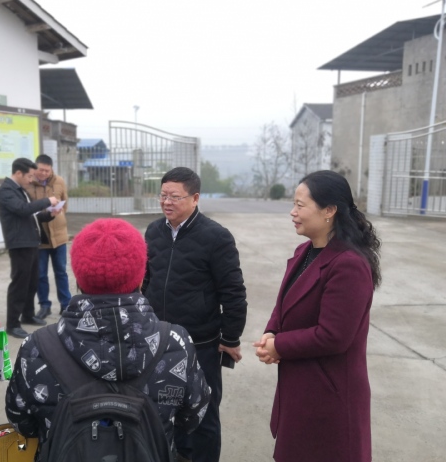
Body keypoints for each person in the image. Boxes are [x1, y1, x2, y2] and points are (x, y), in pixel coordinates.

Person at [5, 218, 211, 458]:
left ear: (78, 278)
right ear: (140, 276)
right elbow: (192, 416)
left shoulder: (37, 347)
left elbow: (20, 419)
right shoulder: (176, 342)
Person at [253, 170, 381, 462]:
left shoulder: (348, 264)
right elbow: (285, 302)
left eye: (300, 205)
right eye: (293, 204)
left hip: (330, 397)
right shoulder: (305, 251)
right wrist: (272, 331)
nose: (293, 212)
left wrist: (278, 346)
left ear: (329, 210)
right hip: (300, 389)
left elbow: (334, 336)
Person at [142, 166, 247, 462]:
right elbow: (147, 279)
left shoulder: (216, 237)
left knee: (204, 414)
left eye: (175, 196)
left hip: (200, 343)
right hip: (159, 339)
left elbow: (233, 292)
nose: (167, 202)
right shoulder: (153, 231)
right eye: (163, 195)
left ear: (195, 198)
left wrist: (230, 337)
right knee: (162, 409)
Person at [0, 157, 61, 338]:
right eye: (30, 176)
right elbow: (23, 210)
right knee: (19, 283)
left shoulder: (20, 190)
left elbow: (31, 216)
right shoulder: (6, 190)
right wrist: (47, 200)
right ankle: (12, 323)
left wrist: (51, 214)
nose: (31, 180)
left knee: (31, 282)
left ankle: (28, 314)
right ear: (18, 173)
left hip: (31, 241)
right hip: (19, 243)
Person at [25, 154, 71, 318]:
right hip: (40, 236)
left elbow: (65, 202)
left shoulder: (59, 181)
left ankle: (66, 305)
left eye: (47, 170)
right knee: (40, 274)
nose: (44, 173)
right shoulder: (29, 183)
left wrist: (58, 214)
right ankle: (44, 305)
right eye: (41, 170)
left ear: (51, 169)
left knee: (61, 272)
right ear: (35, 168)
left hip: (59, 235)